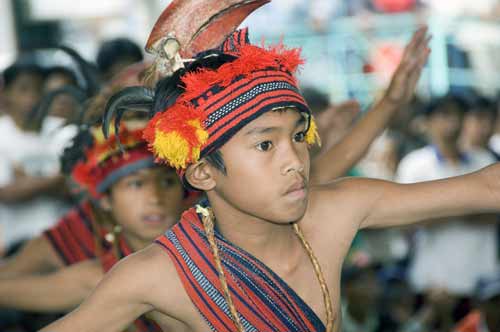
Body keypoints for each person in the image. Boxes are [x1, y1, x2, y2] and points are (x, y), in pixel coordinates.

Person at [0, 123, 184, 332]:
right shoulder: (100, 270)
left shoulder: (201, 247)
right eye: (136, 184)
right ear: (105, 199)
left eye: (168, 182)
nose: (155, 198)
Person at [396, 94, 499, 322]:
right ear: (428, 121)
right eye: (444, 115)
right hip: (433, 283)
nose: (452, 123)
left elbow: (493, 215)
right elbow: (406, 218)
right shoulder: (415, 165)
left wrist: (437, 208)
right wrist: (468, 206)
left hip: (482, 282)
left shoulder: (483, 160)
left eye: (459, 115)